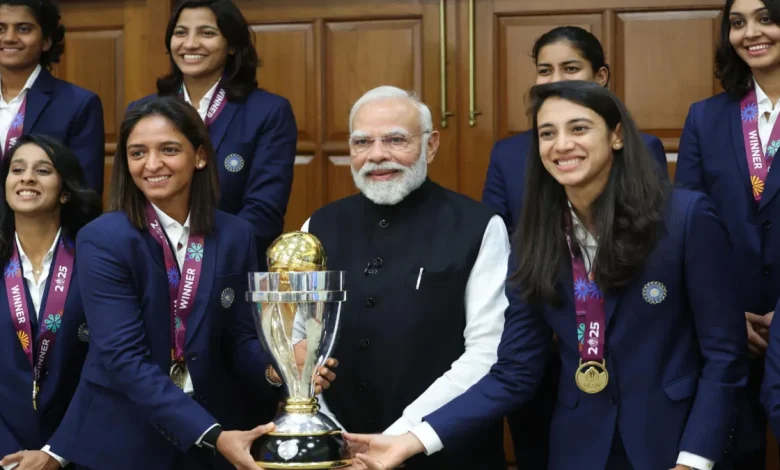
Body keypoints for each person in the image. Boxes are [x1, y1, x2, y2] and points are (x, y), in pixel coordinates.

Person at [343, 81, 748, 470]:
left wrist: (693, 461)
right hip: (578, 448)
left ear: (617, 136)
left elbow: (724, 357)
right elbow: (514, 371)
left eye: (579, 128)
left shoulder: (684, 218)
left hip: (674, 444)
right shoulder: (534, 237)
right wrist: (410, 440)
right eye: (547, 133)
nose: (562, 145)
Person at [40, 97, 331, 470]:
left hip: (215, 442)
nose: (152, 164)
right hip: (126, 441)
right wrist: (211, 433)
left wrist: (281, 366)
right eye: (137, 153)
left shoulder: (236, 234)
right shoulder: (102, 239)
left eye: (169, 150)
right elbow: (123, 359)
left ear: (200, 156)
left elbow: (239, 339)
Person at [293, 86, 510, 469]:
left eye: (395, 139)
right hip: (339, 452)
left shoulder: (479, 227)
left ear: (430, 145)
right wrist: (333, 433)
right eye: (363, 142)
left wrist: (401, 439)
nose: (377, 155)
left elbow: (486, 354)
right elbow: (299, 340)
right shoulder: (318, 226)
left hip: (444, 450)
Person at [482, 29, 669, 468]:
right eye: (544, 71)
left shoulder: (646, 157)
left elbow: (648, 242)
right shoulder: (511, 157)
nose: (554, 79)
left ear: (600, 76)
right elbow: (499, 243)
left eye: (570, 68)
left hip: (625, 342)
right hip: (545, 335)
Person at [676, 0, 780, 465]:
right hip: (727, 327)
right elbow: (688, 226)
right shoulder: (706, 117)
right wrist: (724, 314)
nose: (750, 33)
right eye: (738, 23)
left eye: (766, 18)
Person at [129, 0, 297, 270]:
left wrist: (199, 262)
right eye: (181, 33)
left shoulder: (268, 111)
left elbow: (264, 213)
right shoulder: (142, 111)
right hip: (151, 265)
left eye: (207, 33)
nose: (191, 44)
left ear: (231, 45)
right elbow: (129, 197)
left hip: (229, 269)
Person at [0, 135, 99, 470]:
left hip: (81, 450)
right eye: (17, 169)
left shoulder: (96, 260)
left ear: (66, 190)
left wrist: (56, 452)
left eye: (42, 170)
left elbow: (107, 364)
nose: (27, 177)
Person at [0, 0, 104, 195]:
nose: (9, 38)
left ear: (46, 40)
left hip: (45, 224)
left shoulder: (78, 104)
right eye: (1, 28)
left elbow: (84, 193)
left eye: (23, 29)